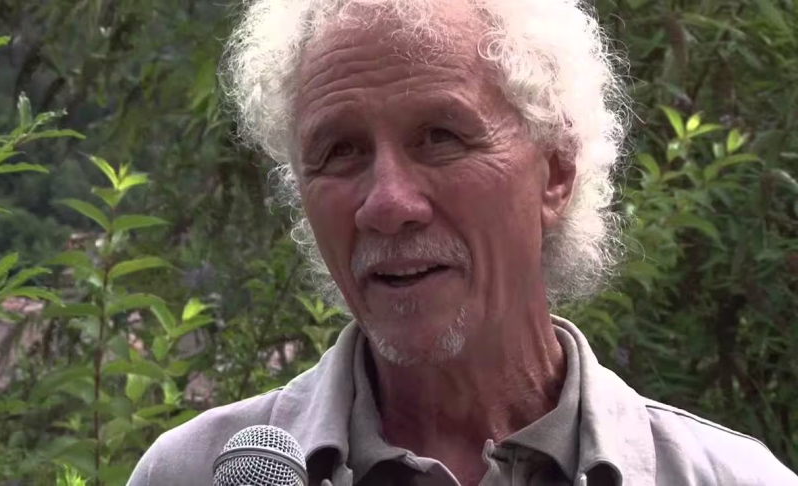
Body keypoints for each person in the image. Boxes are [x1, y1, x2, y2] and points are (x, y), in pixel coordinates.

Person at [127, 0, 798, 484]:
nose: (387, 204)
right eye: (340, 151)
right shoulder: (191, 473)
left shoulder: (730, 478)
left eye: (440, 137)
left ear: (555, 173)